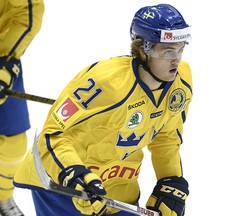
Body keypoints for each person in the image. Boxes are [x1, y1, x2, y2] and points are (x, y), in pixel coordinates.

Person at [14, 3, 192, 216]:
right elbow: (52, 138)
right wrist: (75, 176)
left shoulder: (181, 83)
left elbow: (166, 138)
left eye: (181, 49)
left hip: (118, 188)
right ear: (143, 50)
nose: (177, 59)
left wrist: (170, 180)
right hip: (63, 187)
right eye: (168, 51)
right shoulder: (104, 83)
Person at [0, 0, 44, 215]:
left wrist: (6, 60)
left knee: (14, 146)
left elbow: (28, 11)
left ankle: (3, 197)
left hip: (1, 61)